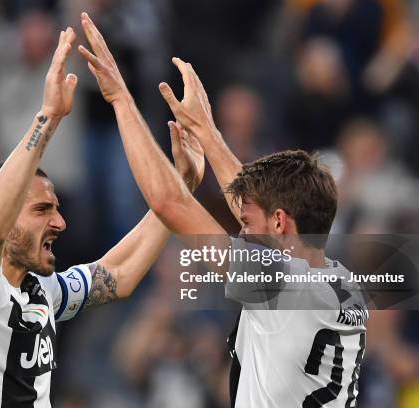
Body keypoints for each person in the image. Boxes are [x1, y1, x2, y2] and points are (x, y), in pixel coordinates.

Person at [77, 12, 367, 408]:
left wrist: (121, 99)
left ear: (281, 222)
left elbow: (168, 203)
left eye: (245, 226)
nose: (240, 231)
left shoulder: (279, 281)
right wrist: (207, 133)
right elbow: (253, 205)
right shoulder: (344, 286)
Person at [0, 25, 205, 408]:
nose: (59, 223)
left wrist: (180, 190)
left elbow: (118, 275)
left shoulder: (44, 291)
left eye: (56, 209)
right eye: (41, 210)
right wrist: (49, 118)